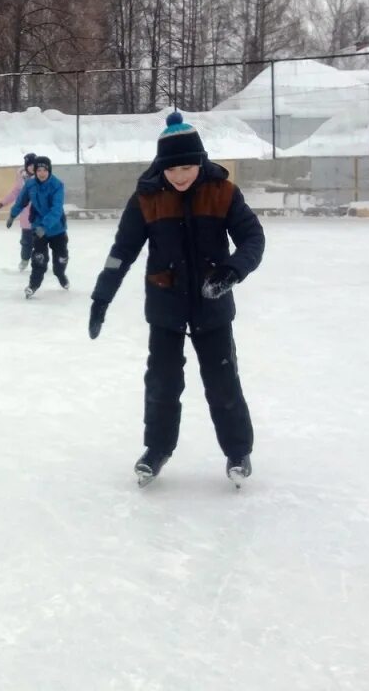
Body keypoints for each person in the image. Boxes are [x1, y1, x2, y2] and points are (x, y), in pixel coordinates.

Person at [87, 112, 265, 488]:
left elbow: (253, 239)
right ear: (160, 167)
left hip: (211, 303)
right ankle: (157, 450)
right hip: (165, 306)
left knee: (222, 381)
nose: (180, 176)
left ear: (200, 162)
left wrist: (232, 271)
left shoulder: (223, 193)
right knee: (163, 384)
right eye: (172, 169)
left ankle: (238, 451)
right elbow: (122, 252)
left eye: (188, 166)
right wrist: (102, 297)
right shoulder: (146, 198)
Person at [7, 155, 68, 298]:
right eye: (38, 170)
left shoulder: (57, 185)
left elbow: (56, 209)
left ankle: (61, 275)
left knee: (60, 259)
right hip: (37, 226)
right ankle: (33, 285)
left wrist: (45, 226)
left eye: (44, 170)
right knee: (39, 258)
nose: (41, 173)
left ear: (49, 171)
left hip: (57, 228)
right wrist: (12, 215)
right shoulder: (30, 184)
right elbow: (21, 201)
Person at [0, 152, 36, 270]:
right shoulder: (21, 177)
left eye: (34, 164)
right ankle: (25, 259)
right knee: (26, 242)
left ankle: (40, 262)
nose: (32, 167)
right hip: (26, 217)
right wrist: (1, 204)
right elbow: (15, 193)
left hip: (40, 216)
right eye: (29, 165)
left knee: (40, 243)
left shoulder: (42, 175)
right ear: (26, 166)